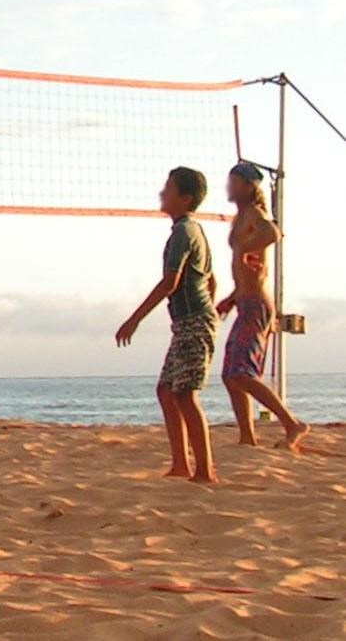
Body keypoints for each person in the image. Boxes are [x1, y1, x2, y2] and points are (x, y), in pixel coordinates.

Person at [116, 167, 218, 484]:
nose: (162, 193)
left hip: (194, 322)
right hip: (190, 322)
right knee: (165, 391)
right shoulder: (190, 231)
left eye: (168, 189)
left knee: (185, 394)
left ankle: (204, 471)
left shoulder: (185, 232)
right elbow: (211, 280)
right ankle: (180, 464)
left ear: (185, 198)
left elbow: (170, 282)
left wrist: (134, 319)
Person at [216, 163, 308, 451]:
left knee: (242, 372)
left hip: (256, 304)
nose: (228, 187)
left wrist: (245, 249)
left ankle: (292, 424)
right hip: (245, 301)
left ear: (246, 185)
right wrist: (232, 297)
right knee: (230, 375)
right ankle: (247, 436)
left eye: (233, 182)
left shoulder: (254, 213)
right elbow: (248, 267)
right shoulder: (241, 216)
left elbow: (273, 233)